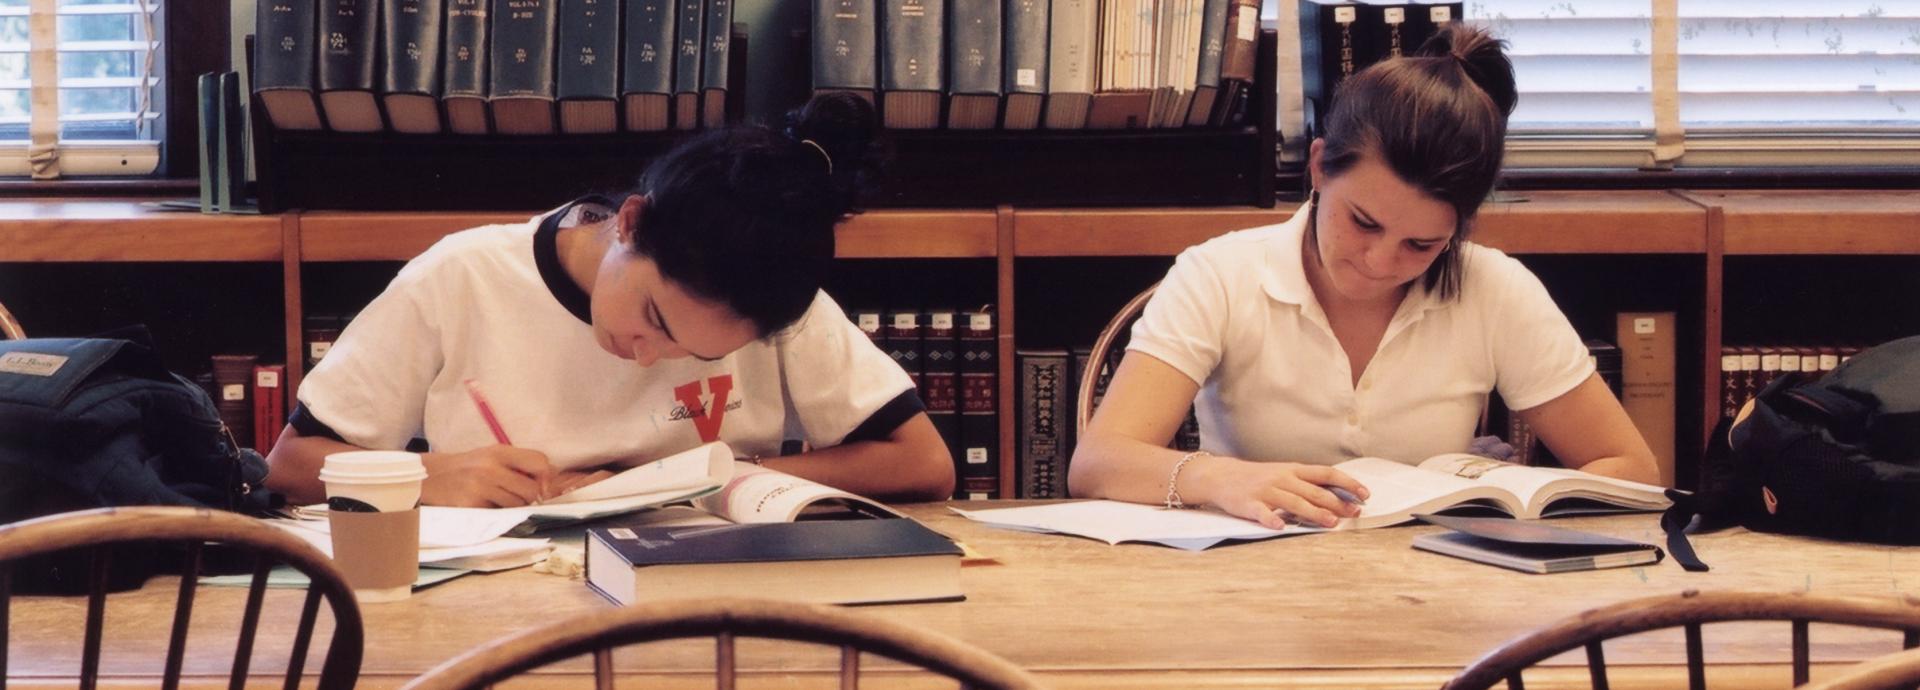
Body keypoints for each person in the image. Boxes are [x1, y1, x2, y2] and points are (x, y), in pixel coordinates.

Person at [1068, 25, 1660, 530]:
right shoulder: (1220, 275)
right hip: (1248, 591)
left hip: (1440, 591)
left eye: (1421, 244)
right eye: (1364, 222)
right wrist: (1222, 479)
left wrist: (1512, 497)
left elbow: (1631, 467)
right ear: (1321, 166)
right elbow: (1097, 464)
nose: (1380, 262)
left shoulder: (1492, 289)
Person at [265, 93, 955, 507]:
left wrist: (719, 476)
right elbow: (289, 466)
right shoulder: (462, 276)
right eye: (655, 318)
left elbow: (923, 463)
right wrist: (424, 476)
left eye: (697, 351)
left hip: (708, 602)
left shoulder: (771, 295)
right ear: (629, 223)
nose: (650, 359)